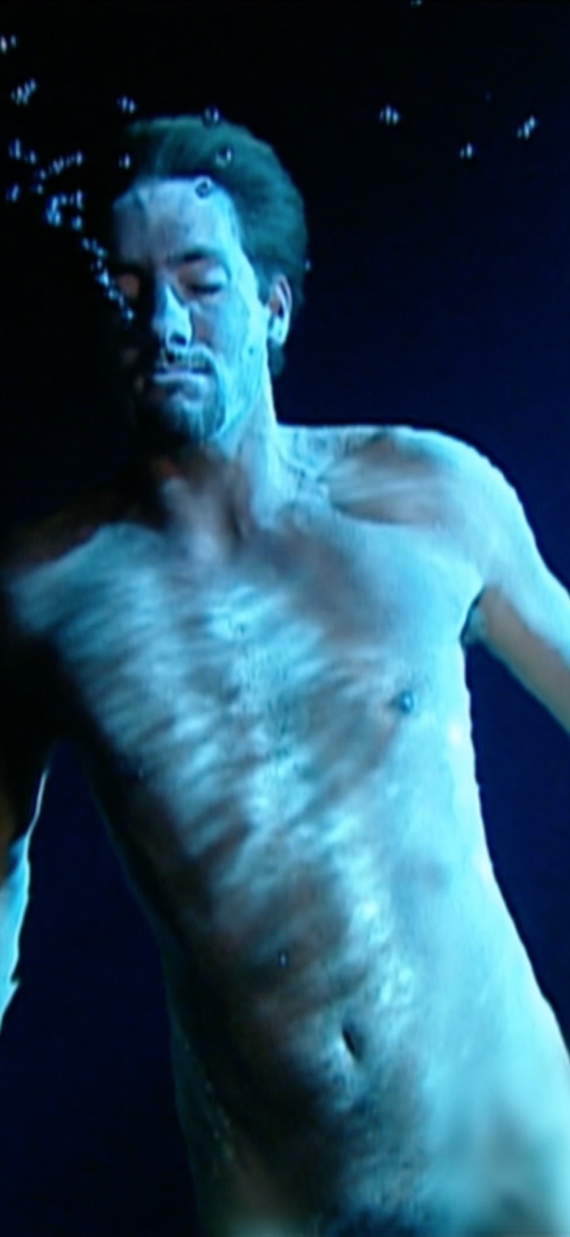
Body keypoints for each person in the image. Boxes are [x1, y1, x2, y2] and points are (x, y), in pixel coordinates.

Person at [1, 113, 570, 1237]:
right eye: (130, 288)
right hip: (277, 1202)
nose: (163, 323)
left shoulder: (423, 497)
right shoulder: (45, 597)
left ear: (272, 306)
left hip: (517, 1165)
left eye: (199, 282)